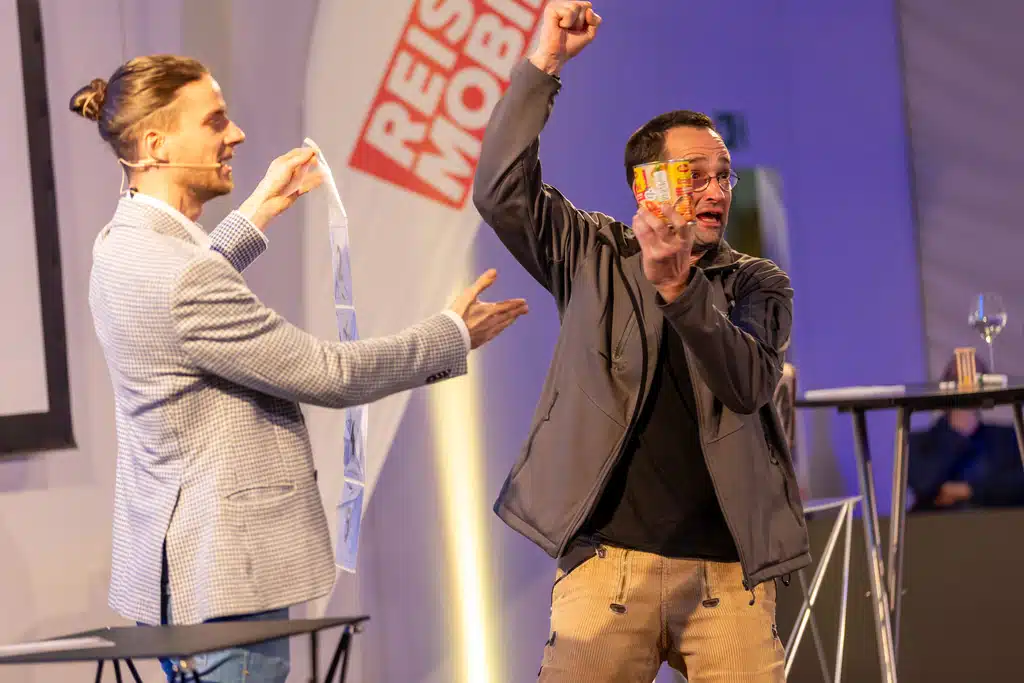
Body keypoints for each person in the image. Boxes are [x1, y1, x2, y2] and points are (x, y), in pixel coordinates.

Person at [70, 54, 527, 683]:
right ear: (156, 146)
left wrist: (254, 214)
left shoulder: (122, 244)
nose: (236, 135)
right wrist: (451, 335)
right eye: (215, 121)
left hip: (182, 572)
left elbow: (180, 311)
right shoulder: (183, 277)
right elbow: (329, 375)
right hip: (227, 582)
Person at [472, 3, 809, 681]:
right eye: (695, 174)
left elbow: (747, 383)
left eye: (723, 174)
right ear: (645, 185)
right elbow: (501, 191)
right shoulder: (592, 253)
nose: (716, 190)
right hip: (608, 571)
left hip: (727, 580)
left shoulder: (757, 282)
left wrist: (682, 288)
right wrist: (546, 62)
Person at [909, 356, 1024, 511]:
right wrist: (957, 433)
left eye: (976, 379)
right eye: (957, 380)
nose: (967, 388)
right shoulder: (919, 442)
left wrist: (969, 490)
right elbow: (924, 485)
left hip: (996, 521)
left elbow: (1017, 485)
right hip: (937, 522)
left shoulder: (1007, 437)